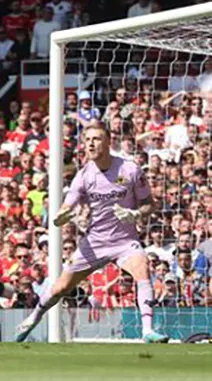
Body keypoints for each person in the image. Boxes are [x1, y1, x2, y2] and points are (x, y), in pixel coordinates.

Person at [15, 123, 169, 344]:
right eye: (87, 140)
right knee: (60, 288)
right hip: (95, 243)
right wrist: (61, 216)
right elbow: (67, 206)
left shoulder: (130, 169)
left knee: (142, 269)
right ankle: (33, 319)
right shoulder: (84, 175)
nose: (90, 143)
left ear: (108, 142)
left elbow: (150, 205)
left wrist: (135, 214)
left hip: (125, 241)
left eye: (96, 139)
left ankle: (147, 331)